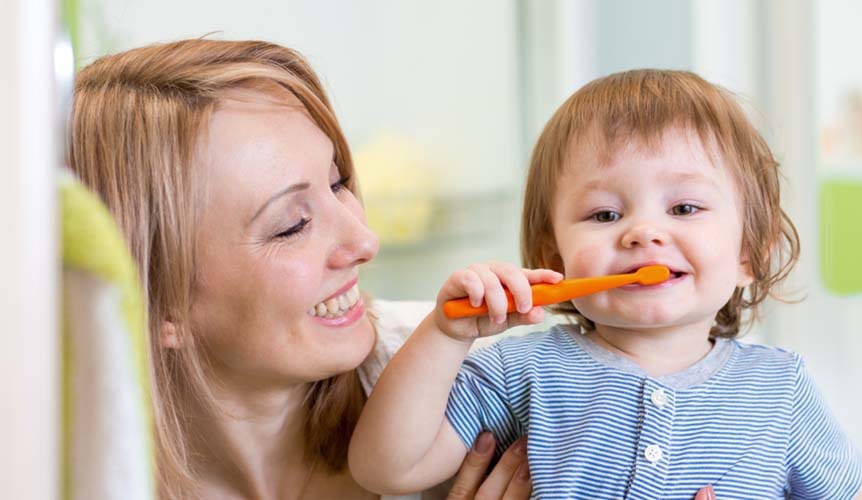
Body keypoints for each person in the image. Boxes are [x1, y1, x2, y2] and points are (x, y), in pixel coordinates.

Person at [349, 70, 862, 499]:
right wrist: (446, 334)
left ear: (747, 254)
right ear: (556, 258)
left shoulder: (780, 390)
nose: (643, 232)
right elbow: (386, 468)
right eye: (604, 214)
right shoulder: (519, 372)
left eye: (684, 207)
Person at [67, 38, 532, 499]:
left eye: (338, 182)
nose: (365, 242)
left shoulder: (476, 391)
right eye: (293, 225)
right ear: (161, 304)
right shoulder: (73, 473)